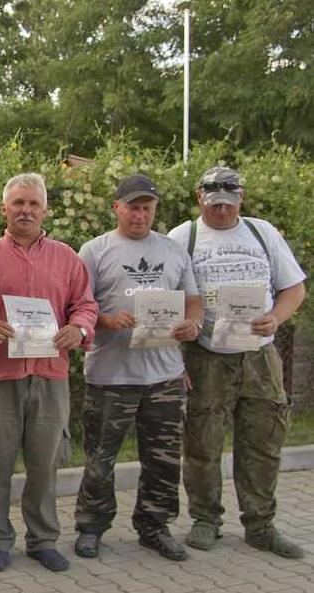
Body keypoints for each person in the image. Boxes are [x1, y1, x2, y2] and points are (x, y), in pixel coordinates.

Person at [0, 173, 98, 573]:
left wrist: (79, 329)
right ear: (4, 209)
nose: (26, 211)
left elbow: (85, 305)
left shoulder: (68, 258)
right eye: (18, 203)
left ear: (45, 210)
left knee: (44, 463)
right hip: (0, 377)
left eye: (33, 204)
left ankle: (43, 540)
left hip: (51, 376)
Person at [167, 166, 307, 558]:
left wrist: (276, 317)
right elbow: (168, 300)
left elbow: (294, 288)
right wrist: (179, 349)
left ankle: (260, 525)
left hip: (259, 356)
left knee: (263, 442)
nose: (222, 211)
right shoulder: (183, 237)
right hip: (206, 357)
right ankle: (206, 519)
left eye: (228, 204)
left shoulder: (263, 233)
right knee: (201, 442)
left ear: (241, 198)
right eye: (214, 205)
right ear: (200, 198)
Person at [72, 174, 203, 561]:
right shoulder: (94, 251)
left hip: (163, 375)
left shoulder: (174, 251)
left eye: (147, 207)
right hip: (110, 377)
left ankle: (155, 527)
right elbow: (77, 306)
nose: (139, 214)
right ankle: (91, 527)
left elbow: (193, 301)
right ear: (117, 207)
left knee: (163, 459)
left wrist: (193, 324)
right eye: (132, 206)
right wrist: (107, 321)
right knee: (100, 459)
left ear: (155, 209)